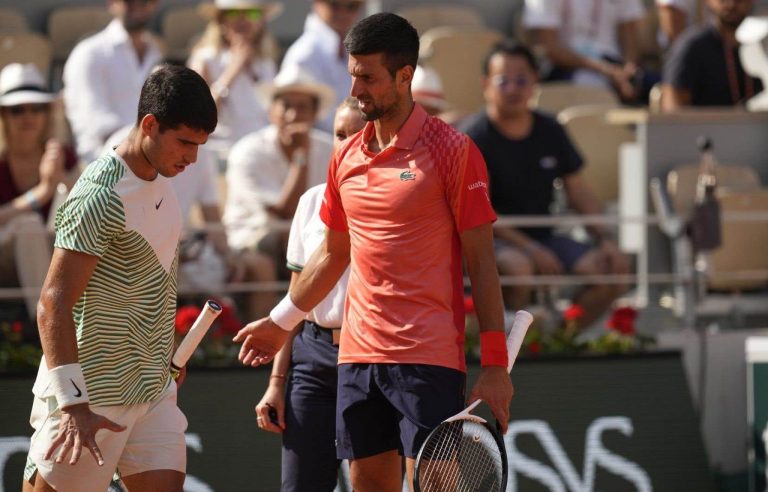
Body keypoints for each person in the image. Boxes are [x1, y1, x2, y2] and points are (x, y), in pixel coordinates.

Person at [234, 13, 513, 492]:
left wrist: (493, 365)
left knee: (436, 485)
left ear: (404, 77)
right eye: (352, 75)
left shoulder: (454, 151)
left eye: (368, 77)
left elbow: (482, 265)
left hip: (428, 356)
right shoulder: (344, 155)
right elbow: (331, 255)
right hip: (357, 358)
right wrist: (280, 323)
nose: (357, 88)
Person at [22, 65, 217, 492]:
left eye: (200, 145)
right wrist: (74, 404)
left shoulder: (163, 180)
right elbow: (53, 304)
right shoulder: (99, 196)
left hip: (152, 388)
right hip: (91, 395)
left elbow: (153, 282)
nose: (192, 158)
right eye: (184, 142)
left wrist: (162, 352)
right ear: (149, 125)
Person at [461, 40, 631, 329]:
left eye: (522, 79)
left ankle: (558, 340)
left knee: (613, 271)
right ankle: (515, 348)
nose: (514, 88)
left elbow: (577, 189)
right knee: (520, 268)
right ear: (486, 85)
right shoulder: (473, 138)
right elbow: (480, 212)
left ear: (535, 81)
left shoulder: (550, 129)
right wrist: (531, 248)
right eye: (503, 81)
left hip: (546, 237)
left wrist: (605, 239)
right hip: (493, 242)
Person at [255, 97, 365, 492]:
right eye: (339, 134)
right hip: (312, 359)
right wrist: (276, 382)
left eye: (358, 133)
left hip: (371, 357)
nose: (347, 143)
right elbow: (295, 298)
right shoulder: (310, 202)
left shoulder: (396, 206)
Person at [222, 66, 335, 281]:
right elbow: (283, 214)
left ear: (314, 113)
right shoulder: (247, 152)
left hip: (312, 240)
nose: (293, 115)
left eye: (302, 107)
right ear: (271, 110)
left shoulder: (329, 150)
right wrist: (300, 158)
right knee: (288, 239)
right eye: (286, 106)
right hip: (248, 240)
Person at [0, 63, 79, 323]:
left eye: (38, 108)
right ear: (3, 116)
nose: (29, 116)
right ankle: (47, 327)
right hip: (6, 258)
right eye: (17, 110)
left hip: (50, 253)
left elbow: (90, 206)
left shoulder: (62, 155)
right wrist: (42, 192)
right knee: (28, 225)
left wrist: (62, 179)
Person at [63, 0, 163, 163]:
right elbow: (96, 124)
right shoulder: (89, 53)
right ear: (111, 3)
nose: (138, 4)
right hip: (101, 165)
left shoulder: (155, 54)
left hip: (149, 159)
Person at [189, 0, 283, 151]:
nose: (243, 20)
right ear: (221, 20)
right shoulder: (205, 58)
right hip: (221, 149)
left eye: (252, 13)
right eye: (233, 13)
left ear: (261, 22)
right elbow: (197, 115)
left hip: (262, 148)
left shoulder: (266, 62)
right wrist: (233, 69)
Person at [523, 0, 646, 102]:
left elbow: (630, 37)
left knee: (657, 89)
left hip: (614, 65)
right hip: (567, 66)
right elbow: (550, 47)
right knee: (591, 86)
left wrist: (629, 71)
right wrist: (609, 71)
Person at [279, 0, 366, 132]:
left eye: (352, 6)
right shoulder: (304, 54)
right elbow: (295, 120)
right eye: (334, 5)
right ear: (316, 3)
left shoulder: (350, 48)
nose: (343, 12)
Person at [662, 0, 762, 110]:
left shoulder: (762, 44)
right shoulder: (692, 47)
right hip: (704, 126)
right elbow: (674, 114)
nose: (731, 4)